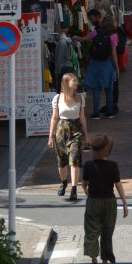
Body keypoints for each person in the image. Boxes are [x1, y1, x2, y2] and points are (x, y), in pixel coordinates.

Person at [82, 134, 128, 264]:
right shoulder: (113, 165)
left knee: (91, 230)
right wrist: (125, 203)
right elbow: (118, 185)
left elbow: (84, 185)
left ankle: (93, 258)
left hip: (93, 201)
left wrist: (88, 193)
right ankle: (105, 261)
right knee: (107, 231)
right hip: (109, 201)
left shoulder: (88, 165)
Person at [48, 73, 90, 201]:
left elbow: (82, 117)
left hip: (76, 129)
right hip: (62, 130)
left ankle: (74, 189)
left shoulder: (80, 98)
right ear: (66, 83)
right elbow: (55, 117)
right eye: (74, 81)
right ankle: (64, 182)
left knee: (75, 159)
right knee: (62, 161)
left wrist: (86, 134)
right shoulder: (58, 98)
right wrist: (51, 136)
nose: (76, 83)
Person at [83, 18, 119, 120]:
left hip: (95, 64)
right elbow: (114, 53)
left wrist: (76, 38)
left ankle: (95, 113)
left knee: (96, 89)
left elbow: (85, 38)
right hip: (107, 64)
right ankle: (109, 112)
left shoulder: (95, 33)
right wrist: (117, 68)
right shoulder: (113, 37)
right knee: (109, 89)